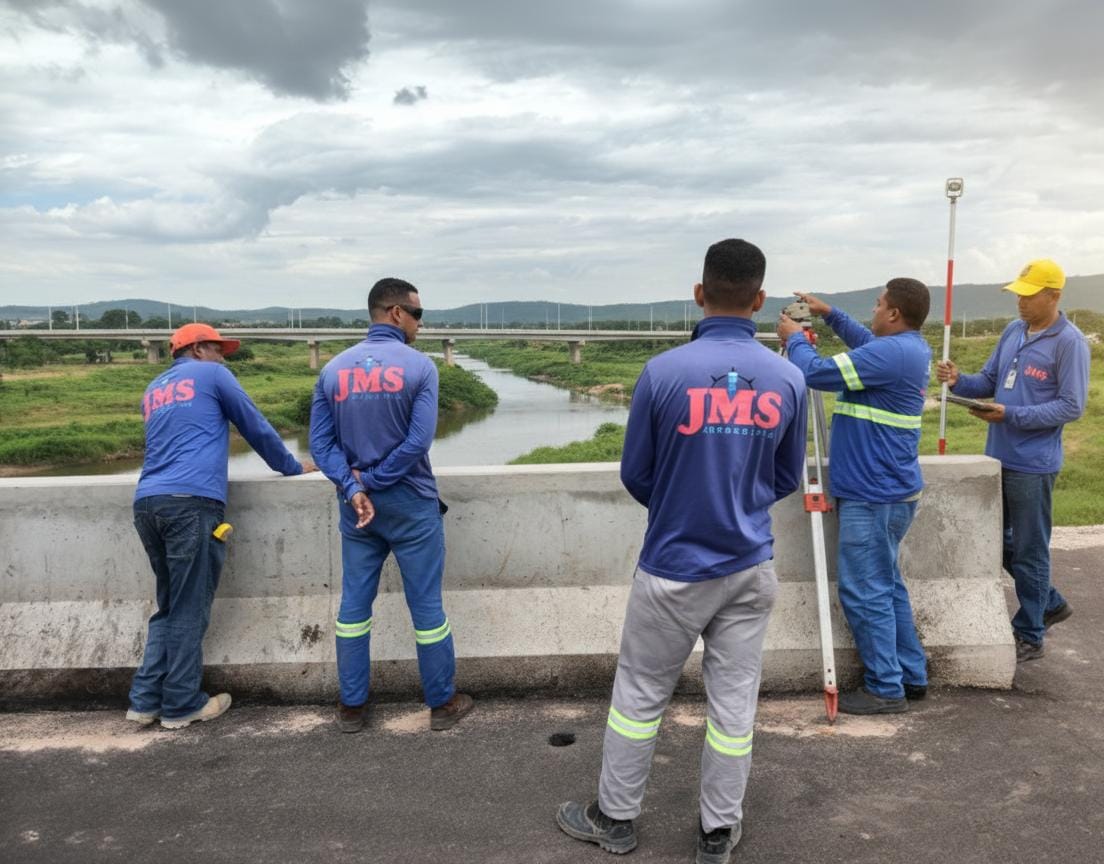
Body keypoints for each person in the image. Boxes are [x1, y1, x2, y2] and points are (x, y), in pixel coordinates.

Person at [556, 239, 807, 864]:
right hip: (751, 566)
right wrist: (739, 506)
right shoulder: (789, 377)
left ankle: (615, 820)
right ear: (759, 299)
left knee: (640, 697)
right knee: (733, 701)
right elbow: (784, 477)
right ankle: (717, 833)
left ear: (699, 294)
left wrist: (679, 507)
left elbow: (636, 472)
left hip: (672, 568)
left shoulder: (663, 372)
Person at [127, 323, 316, 730]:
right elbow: (255, 426)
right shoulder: (212, 375)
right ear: (196, 349)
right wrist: (291, 466)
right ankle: (180, 704)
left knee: (170, 605)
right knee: (190, 607)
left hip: (147, 503)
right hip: (191, 503)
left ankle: (144, 701)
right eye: (217, 348)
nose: (223, 356)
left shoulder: (154, 388)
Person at [310, 277, 472, 733]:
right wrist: (379, 480)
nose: (422, 323)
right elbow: (419, 440)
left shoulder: (333, 371)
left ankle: (352, 708)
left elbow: (321, 445)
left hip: (354, 507)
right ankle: (442, 703)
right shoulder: (420, 368)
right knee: (426, 607)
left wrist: (354, 486)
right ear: (396, 313)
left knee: (354, 606)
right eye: (418, 314)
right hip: (410, 503)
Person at [777, 280, 932, 715]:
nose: (875, 309)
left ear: (895, 314)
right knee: (887, 586)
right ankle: (910, 674)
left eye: (879, 304)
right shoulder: (907, 348)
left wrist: (795, 342)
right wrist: (830, 314)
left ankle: (885, 688)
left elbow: (817, 373)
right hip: (890, 490)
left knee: (864, 591)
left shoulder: (892, 353)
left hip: (872, 493)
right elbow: (864, 342)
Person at [935, 259, 1089, 662]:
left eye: (1029, 294)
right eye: (1018, 293)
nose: (1020, 301)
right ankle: (1049, 601)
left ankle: (1030, 633)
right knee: (994, 543)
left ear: (1053, 296)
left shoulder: (1069, 342)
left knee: (1029, 549)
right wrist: (958, 380)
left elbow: (1072, 406)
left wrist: (1011, 415)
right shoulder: (1013, 330)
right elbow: (988, 380)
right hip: (997, 456)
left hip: (1033, 464)